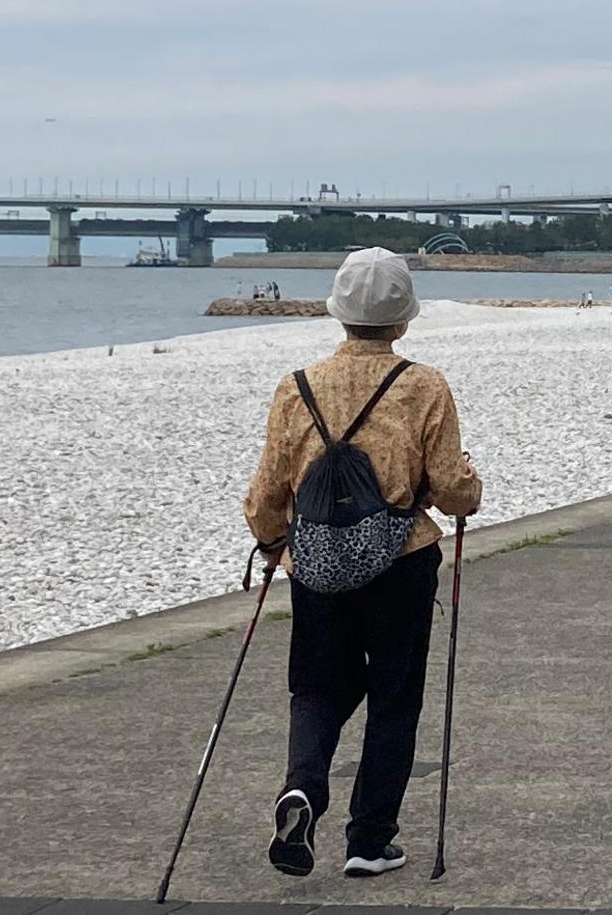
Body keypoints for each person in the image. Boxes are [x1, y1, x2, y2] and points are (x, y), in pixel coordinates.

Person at [243, 248, 483, 880]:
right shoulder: (423, 385)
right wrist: (470, 490)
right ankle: (370, 840)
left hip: (316, 564)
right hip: (400, 561)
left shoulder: (295, 388)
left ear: (339, 314)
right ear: (402, 320)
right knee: (394, 698)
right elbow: (453, 490)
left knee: (317, 684)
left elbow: (267, 493)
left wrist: (273, 545)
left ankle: (302, 789)